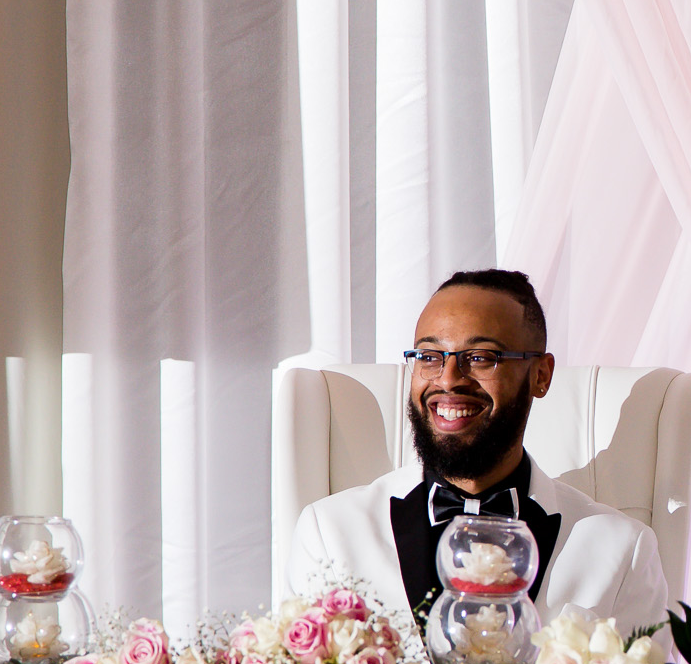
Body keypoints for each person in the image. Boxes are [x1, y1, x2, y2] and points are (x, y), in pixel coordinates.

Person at [281, 269, 670, 633]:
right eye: (430, 357)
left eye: (481, 358)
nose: (448, 380)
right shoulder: (329, 532)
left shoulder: (622, 549)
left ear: (541, 375)